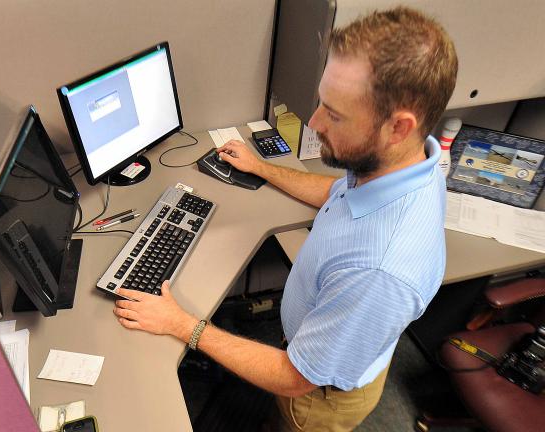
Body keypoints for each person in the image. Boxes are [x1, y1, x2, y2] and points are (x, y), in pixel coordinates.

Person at [113, 6, 458, 431]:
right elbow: (337, 192)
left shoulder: (380, 271)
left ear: (398, 127)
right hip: (335, 337)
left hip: (315, 399)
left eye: (334, 113)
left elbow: (296, 378)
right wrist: (261, 168)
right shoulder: (411, 163)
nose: (315, 122)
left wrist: (183, 325)